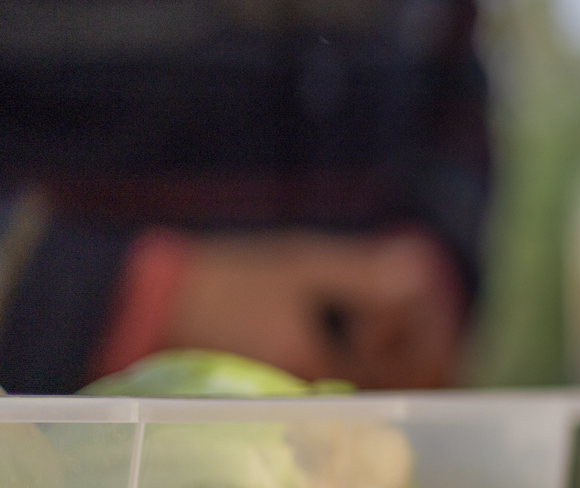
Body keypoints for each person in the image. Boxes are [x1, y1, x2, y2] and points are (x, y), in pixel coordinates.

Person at [0, 0, 487, 394]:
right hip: (43, 449)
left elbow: (457, 80)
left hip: (356, 438)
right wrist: (134, 297)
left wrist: (436, 263)